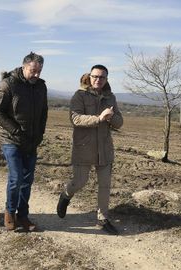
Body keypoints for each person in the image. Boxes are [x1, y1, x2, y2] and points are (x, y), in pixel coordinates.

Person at [56, 65, 123, 235]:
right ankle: (65, 195)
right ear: (89, 76)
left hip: (105, 148)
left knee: (105, 185)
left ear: (106, 79)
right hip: (84, 147)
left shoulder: (110, 97)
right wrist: (99, 118)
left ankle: (102, 218)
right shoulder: (79, 95)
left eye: (102, 77)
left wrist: (111, 117)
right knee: (80, 181)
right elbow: (76, 119)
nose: (98, 80)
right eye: (95, 76)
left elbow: (119, 122)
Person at [0, 52, 48, 232]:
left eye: (39, 71)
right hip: (12, 140)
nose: (36, 75)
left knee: (27, 180)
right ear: (24, 67)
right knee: (16, 178)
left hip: (32, 141)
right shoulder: (8, 84)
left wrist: (40, 134)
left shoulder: (41, 86)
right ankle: (9, 213)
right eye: (33, 70)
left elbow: (44, 113)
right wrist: (15, 129)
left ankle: (23, 215)